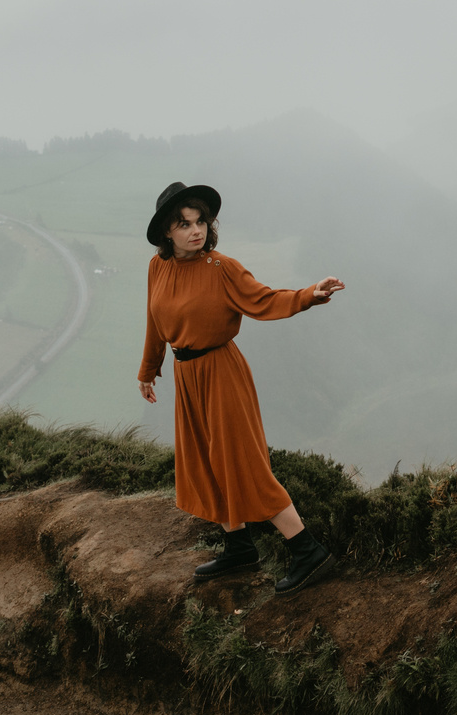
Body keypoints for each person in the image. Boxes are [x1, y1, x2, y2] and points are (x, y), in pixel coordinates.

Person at [136, 180, 346, 593]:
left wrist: (310, 294)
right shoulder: (157, 267)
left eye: (200, 222)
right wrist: (148, 369)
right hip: (187, 374)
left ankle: (307, 550)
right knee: (205, 460)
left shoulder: (222, 268)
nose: (195, 231)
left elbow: (265, 300)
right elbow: (155, 320)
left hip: (222, 371)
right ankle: (239, 546)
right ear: (166, 231)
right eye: (184, 224)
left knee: (241, 460)